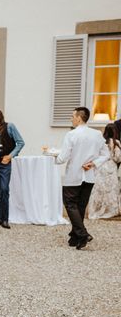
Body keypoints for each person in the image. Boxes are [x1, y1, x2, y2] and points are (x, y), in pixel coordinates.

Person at [47, 107, 109, 249]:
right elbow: (105, 154)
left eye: (72, 116)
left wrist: (51, 155)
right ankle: (75, 237)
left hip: (73, 175)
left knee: (69, 204)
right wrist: (93, 163)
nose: (71, 118)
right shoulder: (97, 134)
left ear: (79, 118)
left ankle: (82, 234)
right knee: (80, 206)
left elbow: (63, 158)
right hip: (89, 176)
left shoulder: (71, 135)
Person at [88, 123, 121, 219]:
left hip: (100, 166)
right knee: (111, 190)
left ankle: (95, 210)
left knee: (99, 189)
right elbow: (118, 157)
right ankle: (109, 210)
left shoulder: (100, 142)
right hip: (111, 167)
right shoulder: (116, 142)